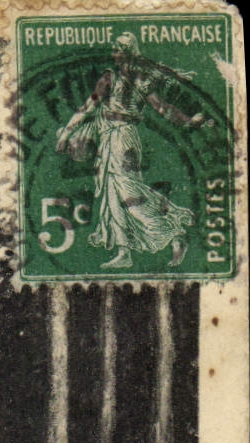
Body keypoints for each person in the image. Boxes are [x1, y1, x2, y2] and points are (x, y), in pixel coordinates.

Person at [54, 32, 210, 269]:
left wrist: (189, 122)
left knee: (128, 192)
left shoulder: (137, 80)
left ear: (127, 54)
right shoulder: (113, 77)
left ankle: (173, 232)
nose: (114, 55)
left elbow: (163, 109)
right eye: (115, 50)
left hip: (123, 138)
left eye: (118, 50)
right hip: (110, 137)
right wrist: (66, 132)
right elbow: (90, 105)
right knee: (113, 193)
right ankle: (125, 251)